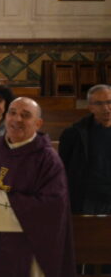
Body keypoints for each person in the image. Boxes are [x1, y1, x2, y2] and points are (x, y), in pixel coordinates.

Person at [0, 97, 75, 277]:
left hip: (22, 245)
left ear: (38, 123)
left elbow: (53, 205)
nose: (17, 119)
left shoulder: (48, 160)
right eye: (12, 113)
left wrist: (0, 200)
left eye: (26, 115)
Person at [60, 84, 111, 215]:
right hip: (87, 197)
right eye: (99, 103)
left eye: (109, 102)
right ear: (90, 107)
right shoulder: (74, 134)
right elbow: (63, 167)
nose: (106, 108)